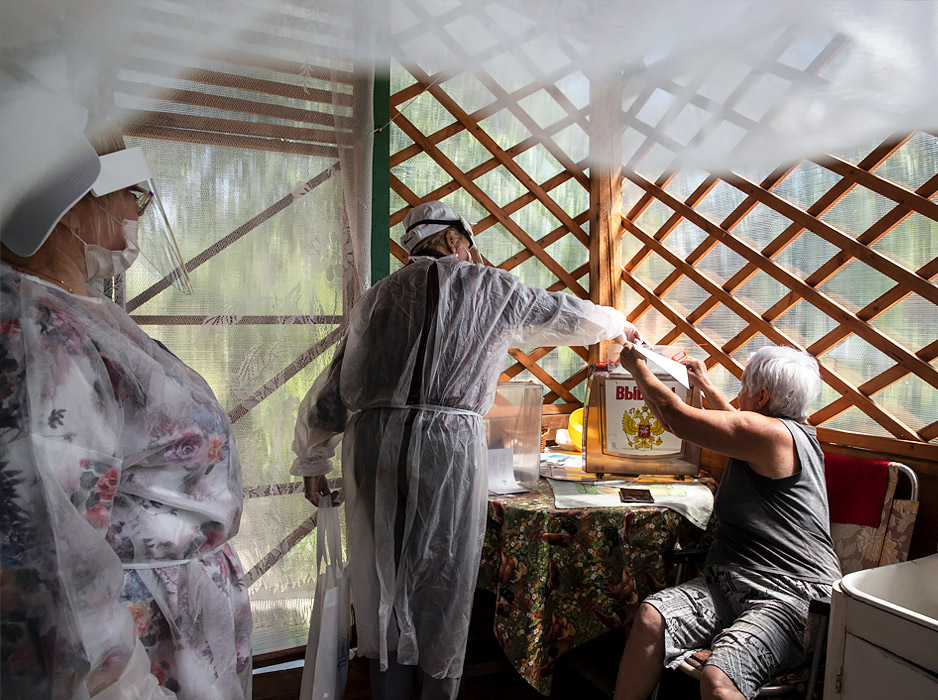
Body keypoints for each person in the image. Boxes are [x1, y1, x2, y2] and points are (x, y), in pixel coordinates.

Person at [291, 200, 641, 700]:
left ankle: (389, 690)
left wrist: (312, 458)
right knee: (443, 580)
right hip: (446, 449)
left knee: (383, 577)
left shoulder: (379, 297)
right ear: (455, 240)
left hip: (373, 446)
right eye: (469, 243)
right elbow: (563, 313)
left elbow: (334, 384)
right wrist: (617, 323)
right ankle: (436, 690)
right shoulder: (490, 288)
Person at [0, 113, 251, 698]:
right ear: (68, 202)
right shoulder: (36, 332)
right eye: (129, 194)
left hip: (179, 624)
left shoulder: (74, 311)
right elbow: (52, 556)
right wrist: (124, 684)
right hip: (138, 652)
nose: (137, 213)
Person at [613, 345, 841, 700]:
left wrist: (637, 369)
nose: (738, 394)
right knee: (651, 618)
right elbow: (736, 422)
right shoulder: (781, 434)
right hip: (730, 585)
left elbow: (677, 419)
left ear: (762, 397)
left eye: (744, 387)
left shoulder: (773, 436)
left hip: (788, 595)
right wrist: (704, 385)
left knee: (719, 679)